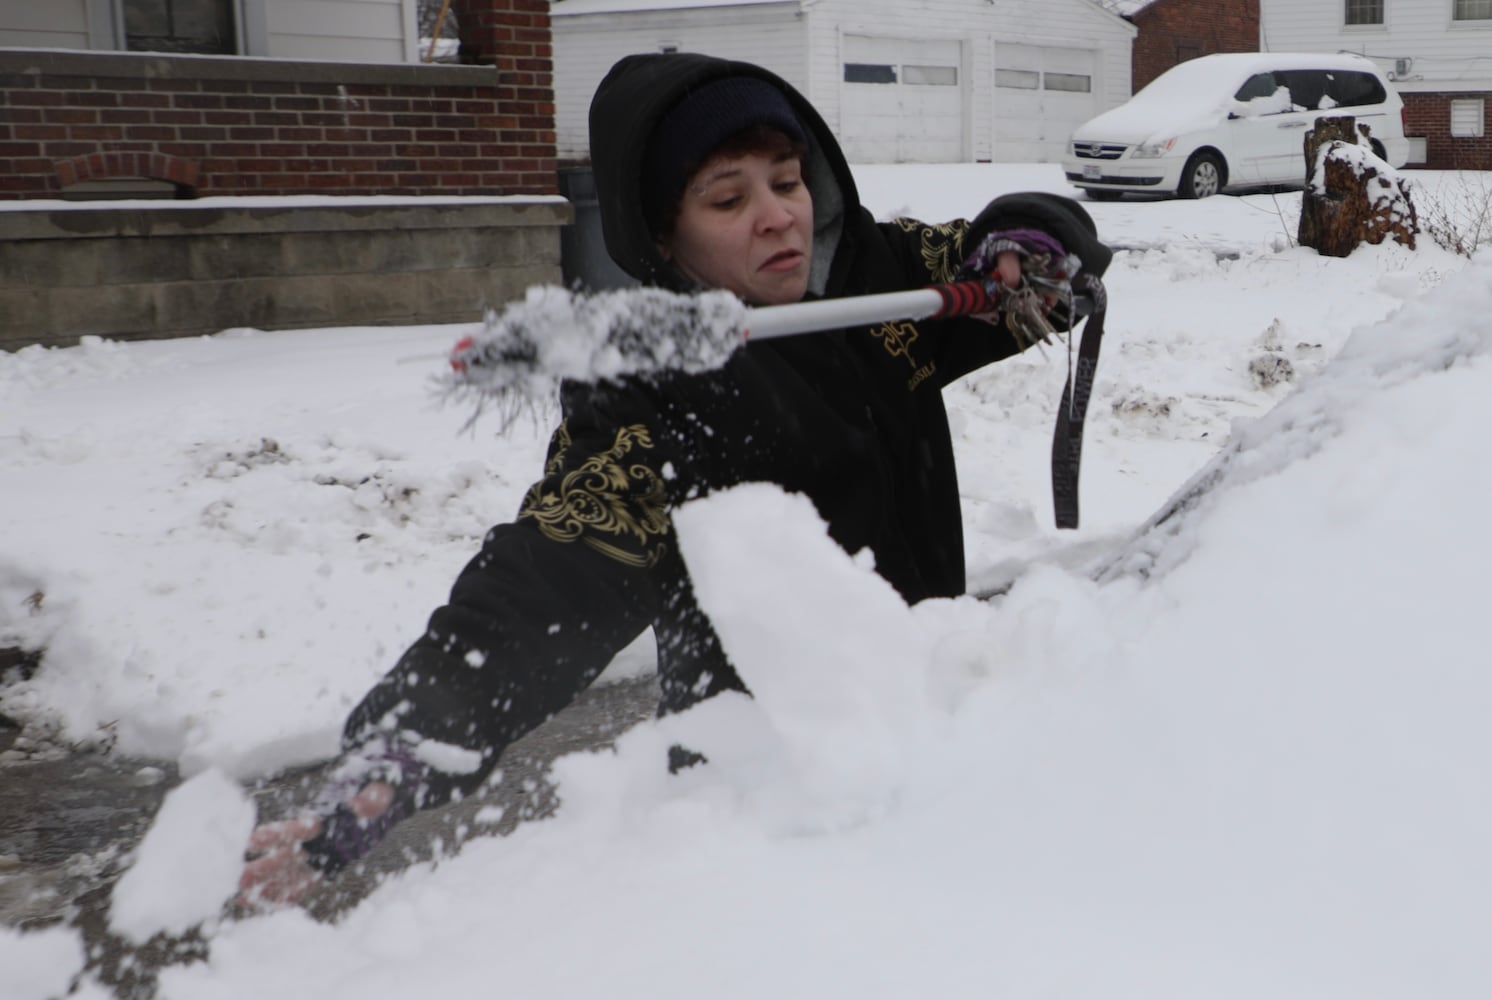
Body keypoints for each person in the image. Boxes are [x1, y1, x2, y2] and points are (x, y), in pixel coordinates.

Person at [240, 52, 1111, 904]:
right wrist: (410, 744)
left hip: (930, 722)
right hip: (773, 797)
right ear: (665, 236)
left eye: (787, 180)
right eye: (728, 198)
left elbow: (1028, 259)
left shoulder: (877, 277)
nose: (778, 217)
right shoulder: (657, 395)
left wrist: (1032, 247)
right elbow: (556, 568)